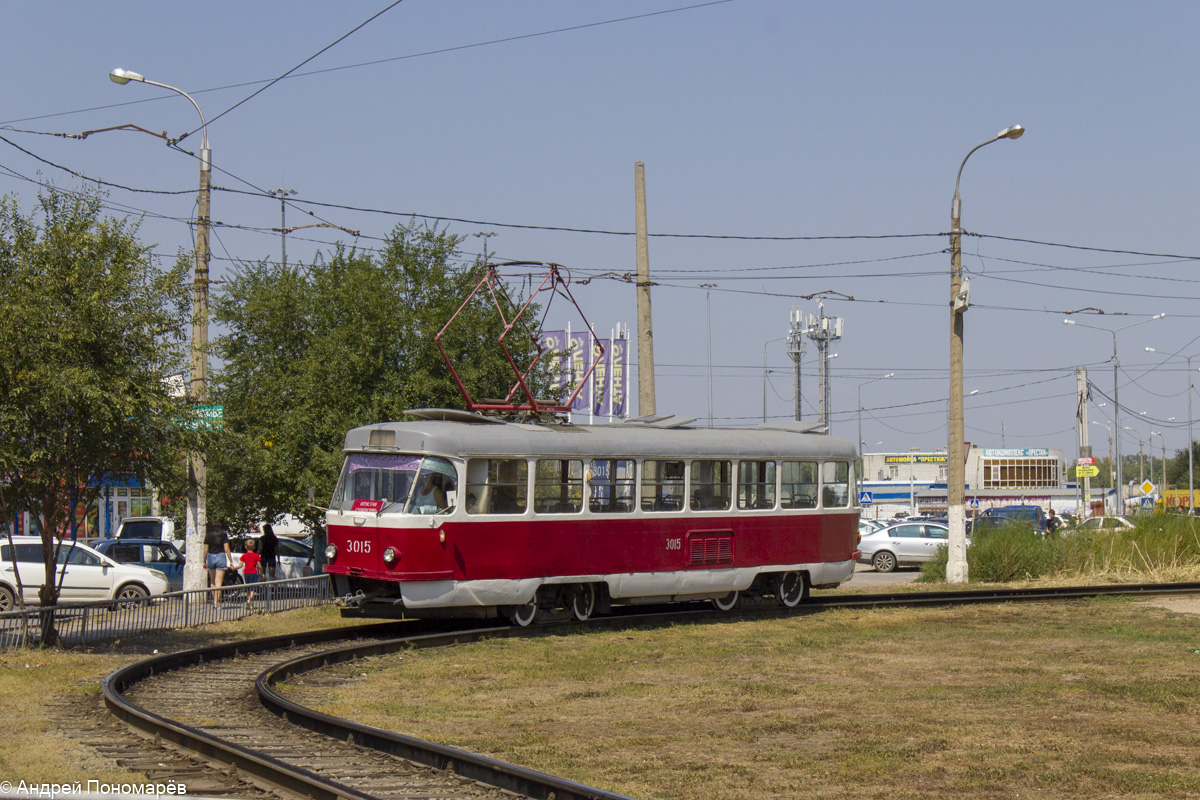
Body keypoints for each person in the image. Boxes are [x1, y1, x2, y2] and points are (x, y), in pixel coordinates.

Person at [202, 523, 234, 607]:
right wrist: (231, 561)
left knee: (212, 581)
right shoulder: (223, 535)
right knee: (219, 582)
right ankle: (217, 602)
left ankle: (214, 601)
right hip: (221, 556)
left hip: (210, 556)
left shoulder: (208, 535)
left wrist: (204, 561)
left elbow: (205, 550)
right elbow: (227, 549)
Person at [239, 538, 263, 607]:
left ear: (245, 547)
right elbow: (259, 566)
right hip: (253, 573)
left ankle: (250, 603)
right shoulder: (256, 556)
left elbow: (240, 565)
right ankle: (249, 600)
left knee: (248, 587)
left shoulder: (244, 556)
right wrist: (262, 573)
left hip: (246, 573)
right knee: (253, 589)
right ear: (254, 547)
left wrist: (234, 568)